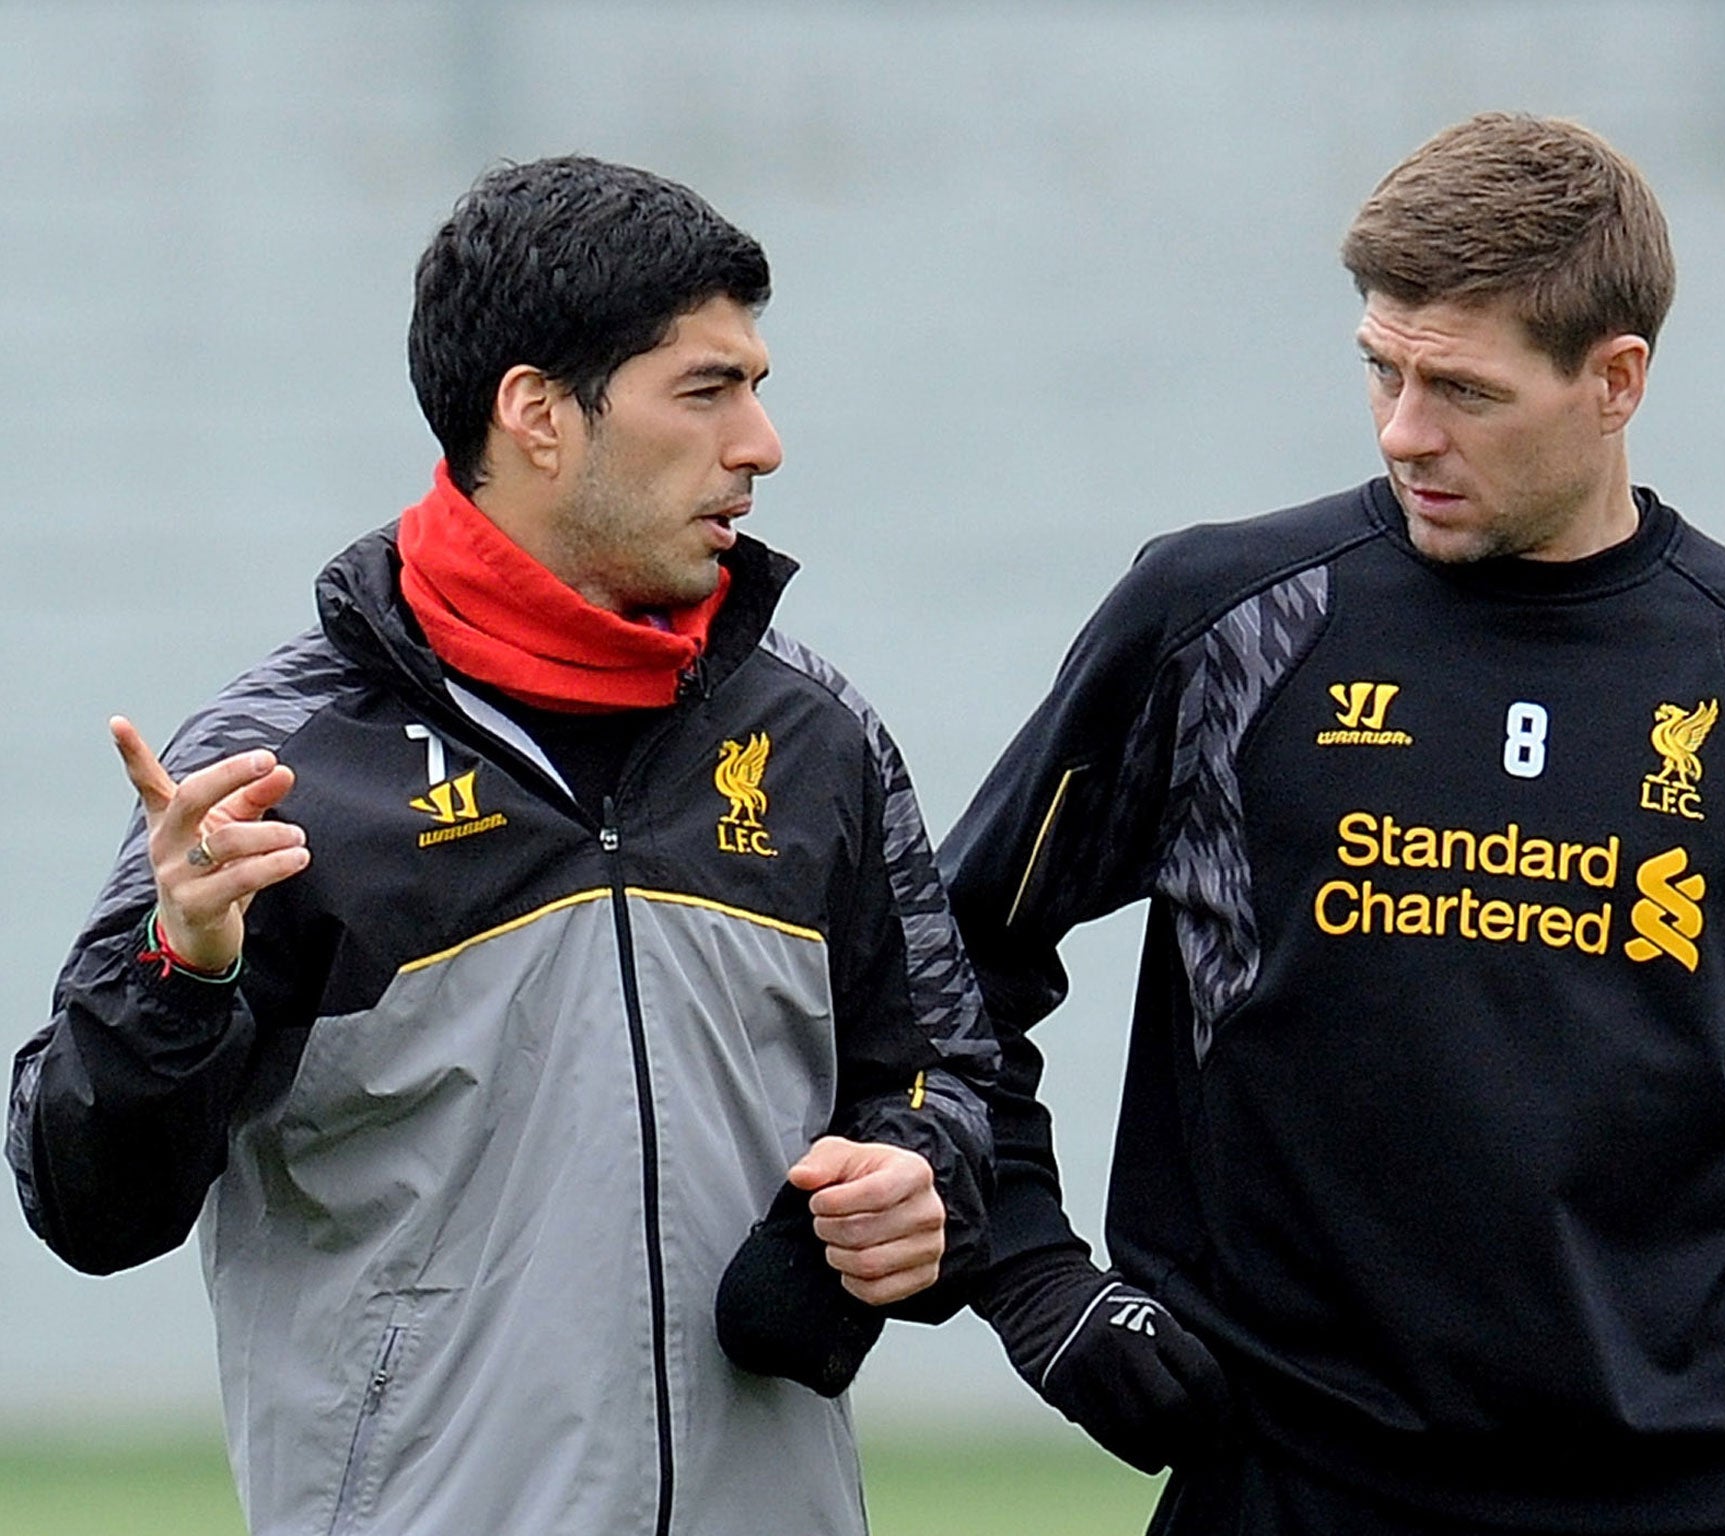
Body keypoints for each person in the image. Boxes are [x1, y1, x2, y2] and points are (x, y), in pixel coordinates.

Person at [942, 113, 1725, 1535]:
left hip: (1684, 1493)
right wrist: (1036, 1278)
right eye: (1382, 372)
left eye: (1461, 388)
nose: (1406, 430)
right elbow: (941, 960)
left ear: (1615, 380)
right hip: (1289, 1491)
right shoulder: (1222, 623)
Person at [8, 156, 996, 1536]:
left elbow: (949, 1073)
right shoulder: (278, 760)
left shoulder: (815, 736)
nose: (761, 442)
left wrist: (920, 1175)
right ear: (537, 413)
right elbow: (80, 1201)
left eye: (756, 387)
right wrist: (180, 973)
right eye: (709, 390)